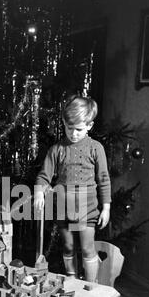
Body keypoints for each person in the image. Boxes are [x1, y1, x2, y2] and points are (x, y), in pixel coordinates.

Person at [34, 95, 111, 282]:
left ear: (89, 126)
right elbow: (44, 175)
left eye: (79, 129)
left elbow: (103, 179)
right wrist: (39, 191)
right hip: (63, 207)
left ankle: (91, 285)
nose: (74, 134)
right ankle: (73, 280)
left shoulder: (95, 148)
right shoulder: (57, 149)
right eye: (70, 128)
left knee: (86, 248)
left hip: (87, 207)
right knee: (68, 247)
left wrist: (106, 207)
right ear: (63, 123)